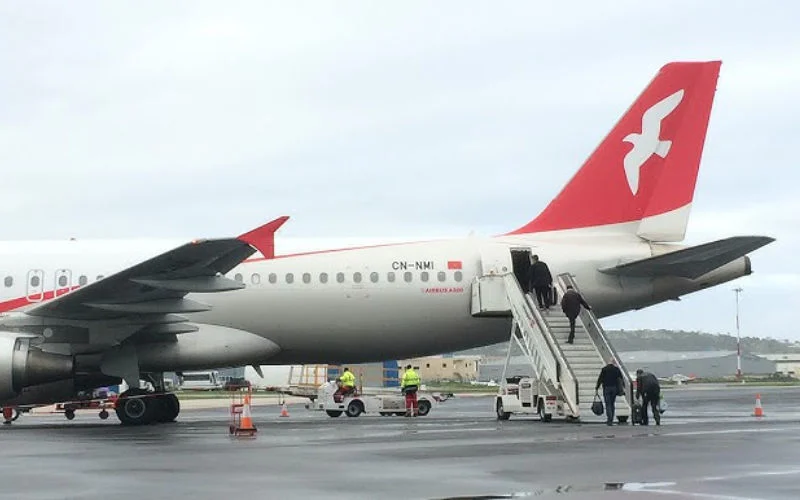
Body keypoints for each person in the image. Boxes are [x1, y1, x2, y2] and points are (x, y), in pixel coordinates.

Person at [595, 359, 624, 426]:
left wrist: (597, 387)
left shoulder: (604, 369)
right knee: (612, 404)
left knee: (608, 404)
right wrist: (622, 388)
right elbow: (621, 379)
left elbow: (600, 379)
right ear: (613, 363)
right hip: (614, 388)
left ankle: (609, 419)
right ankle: (611, 418)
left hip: (606, 388)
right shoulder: (616, 369)